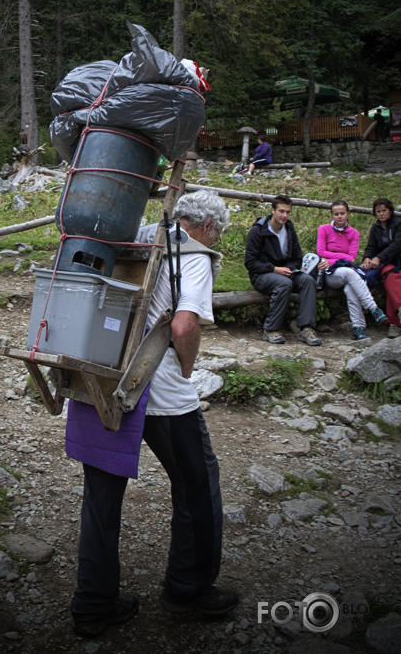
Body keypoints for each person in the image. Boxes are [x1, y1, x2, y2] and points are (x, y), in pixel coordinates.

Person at [67, 191, 238, 638]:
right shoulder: (194, 255)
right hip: (155, 388)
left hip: (99, 375)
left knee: (101, 499)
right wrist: (185, 367)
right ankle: (188, 589)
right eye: (216, 231)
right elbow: (184, 325)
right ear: (206, 227)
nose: (214, 237)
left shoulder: (136, 236)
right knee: (196, 483)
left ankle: (93, 606)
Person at [244, 194, 322, 346]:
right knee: (284, 284)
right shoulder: (258, 231)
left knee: (307, 281)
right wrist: (274, 269)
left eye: (288, 212)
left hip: (285, 272)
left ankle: (306, 328)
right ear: (273, 210)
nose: (284, 215)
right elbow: (250, 263)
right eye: (281, 211)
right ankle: (271, 329)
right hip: (261, 275)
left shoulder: (289, 229)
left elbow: (297, 257)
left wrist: (290, 268)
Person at [317, 200, 388, 340]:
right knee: (350, 272)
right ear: (332, 215)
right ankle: (373, 308)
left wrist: (333, 259)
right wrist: (342, 258)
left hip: (345, 272)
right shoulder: (324, 229)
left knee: (351, 287)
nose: (339, 217)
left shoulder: (353, 233)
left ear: (348, 214)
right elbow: (320, 252)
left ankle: (358, 328)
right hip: (329, 273)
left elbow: (352, 258)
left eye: (342, 213)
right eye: (336, 214)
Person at [361, 197, 401, 338]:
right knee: (390, 276)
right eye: (378, 211)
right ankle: (397, 317)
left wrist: (379, 257)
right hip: (385, 263)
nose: (381, 214)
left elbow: (398, 244)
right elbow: (371, 247)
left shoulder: (398, 224)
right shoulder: (376, 228)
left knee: (394, 282)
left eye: (384, 210)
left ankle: (394, 323)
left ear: (390, 211)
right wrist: (367, 257)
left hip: (397, 259)